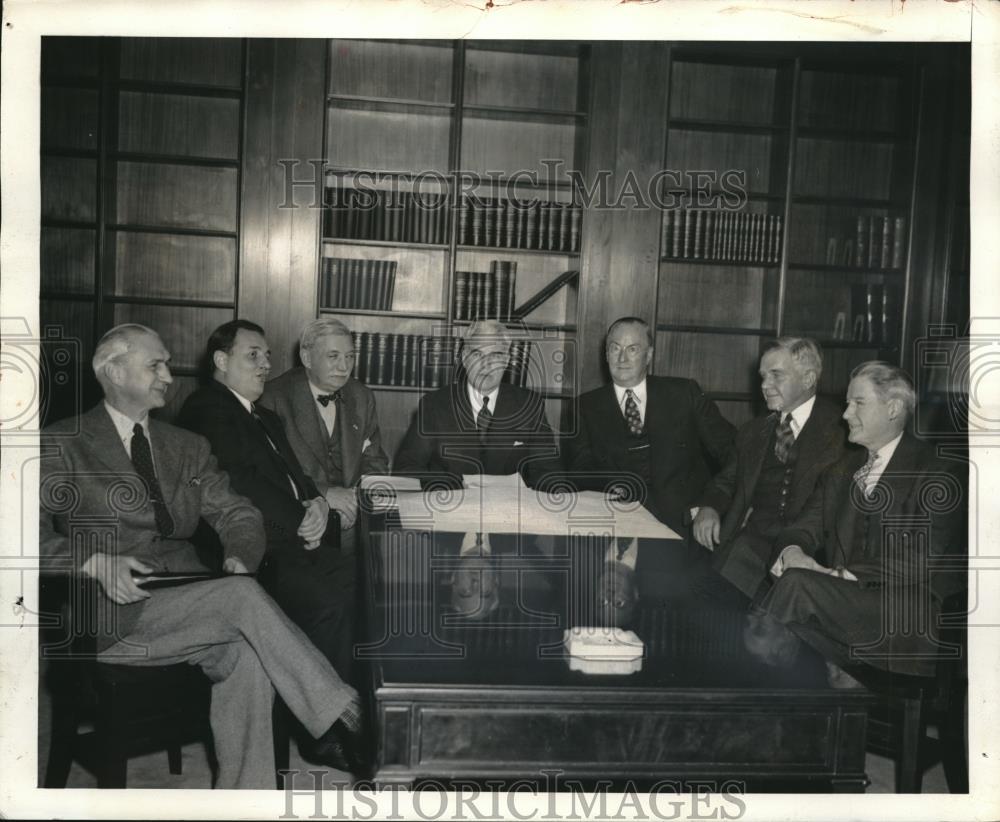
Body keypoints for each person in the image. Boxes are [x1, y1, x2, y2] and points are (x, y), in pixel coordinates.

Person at [38, 324, 366, 788]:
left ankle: (245, 801)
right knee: (239, 602)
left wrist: (238, 559)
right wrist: (94, 563)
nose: (168, 376)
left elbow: (240, 515)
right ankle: (343, 709)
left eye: (168, 364)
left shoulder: (185, 446)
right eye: (155, 364)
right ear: (112, 371)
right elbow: (16, 537)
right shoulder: (62, 443)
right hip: (110, 612)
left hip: (188, 601)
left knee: (247, 652)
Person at [758, 361, 966, 677]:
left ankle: (750, 691)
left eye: (858, 403)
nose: (845, 414)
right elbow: (801, 529)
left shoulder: (939, 472)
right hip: (846, 613)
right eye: (846, 403)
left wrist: (837, 574)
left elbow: (918, 561)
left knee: (797, 588)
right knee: (791, 613)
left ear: (893, 408)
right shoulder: (841, 470)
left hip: (906, 616)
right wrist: (794, 552)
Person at [176, 320, 356, 685]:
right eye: (253, 355)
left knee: (365, 586)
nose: (265, 365)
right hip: (256, 550)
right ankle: (326, 735)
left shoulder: (264, 416)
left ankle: (356, 706)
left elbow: (300, 478)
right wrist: (303, 521)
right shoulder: (207, 406)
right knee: (329, 606)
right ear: (221, 361)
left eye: (267, 356)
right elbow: (242, 481)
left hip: (292, 539)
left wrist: (318, 503)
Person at [692, 338, 846, 601]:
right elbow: (726, 481)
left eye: (776, 375)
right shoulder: (753, 431)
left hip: (807, 553)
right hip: (749, 546)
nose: (764, 385)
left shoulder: (843, 432)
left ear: (808, 378)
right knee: (710, 606)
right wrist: (708, 507)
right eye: (763, 376)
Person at [566, 316, 735, 535]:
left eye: (633, 349)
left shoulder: (685, 394)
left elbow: (733, 452)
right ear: (606, 355)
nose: (622, 358)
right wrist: (610, 483)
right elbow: (579, 469)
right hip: (620, 525)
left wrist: (712, 505)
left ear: (649, 356)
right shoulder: (584, 406)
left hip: (685, 526)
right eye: (614, 348)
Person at [260, 317, 389, 552]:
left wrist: (355, 500)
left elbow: (375, 461)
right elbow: (269, 474)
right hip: (301, 519)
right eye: (333, 356)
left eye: (350, 357)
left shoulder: (362, 396)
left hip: (354, 518)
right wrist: (326, 494)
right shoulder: (273, 398)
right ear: (307, 358)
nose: (344, 367)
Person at [393, 319, 559, 489]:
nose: (486, 366)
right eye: (477, 355)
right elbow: (406, 470)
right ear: (464, 358)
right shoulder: (434, 405)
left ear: (507, 360)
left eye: (495, 355)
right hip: (451, 508)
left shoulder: (529, 405)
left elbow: (548, 474)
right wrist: (454, 487)